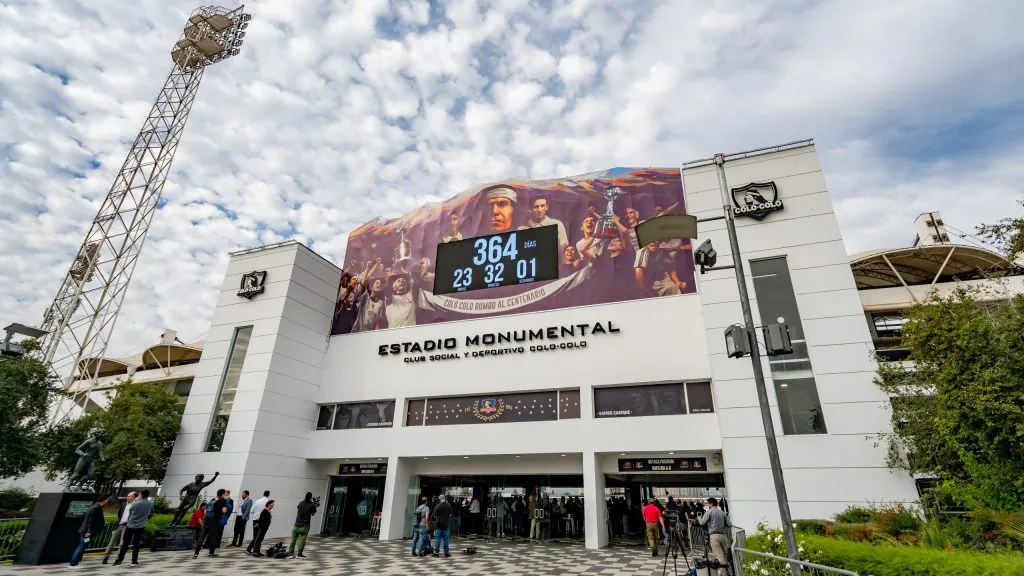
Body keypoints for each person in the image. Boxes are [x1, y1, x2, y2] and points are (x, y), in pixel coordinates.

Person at [113, 489, 154, 566]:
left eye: (139, 494)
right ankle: (134, 561)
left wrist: (137, 500)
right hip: (141, 526)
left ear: (141, 495)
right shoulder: (151, 504)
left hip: (130, 525)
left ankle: (119, 560)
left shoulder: (136, 503)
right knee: (137, 544)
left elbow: (131, 511)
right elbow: (150, 512)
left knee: (126, 543)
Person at [69, 494, 109, 567]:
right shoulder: (96, 507)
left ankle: (75, 563)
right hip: (86, 532)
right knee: (81, 546)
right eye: (107, 499)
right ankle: (73, 564)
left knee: (82, 546)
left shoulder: (96, 506)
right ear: (105, 500)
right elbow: (91, 521)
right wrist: (89, 531)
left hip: (86, 531)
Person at [698, 497, 731, 576]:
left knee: (720, 557)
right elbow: (729, 524)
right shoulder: (722, 512)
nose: (708, 505)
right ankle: (730, 571)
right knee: (726, 555)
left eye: (708, 503)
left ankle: (725, 574)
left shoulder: (709, 512)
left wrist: (699, 518)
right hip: (723, 536)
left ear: (711, 504)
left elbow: (702, 523)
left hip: (714, 536)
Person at [102, 491, 136, 564]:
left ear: (134, 497)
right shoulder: (123, 504)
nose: (128, 497)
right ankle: (105, 558)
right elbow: (119, 514)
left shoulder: (135, 506)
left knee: (122, 543)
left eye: (129, 496)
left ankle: (118, 559)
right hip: (119, 525)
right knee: (111, 542)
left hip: (127, 526)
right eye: (128, 496)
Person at [193, 488, 229, 558]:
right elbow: (224, 511)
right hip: (214, 521)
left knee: (202, 537)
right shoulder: (223, 501)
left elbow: (206, 509)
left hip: (206, 520)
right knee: (213, 537)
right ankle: (211, 553)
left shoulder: (212, 500)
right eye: (224, 494)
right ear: (222, 494)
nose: (225, 495)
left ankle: (196, 553)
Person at [288, 492, 318, 558]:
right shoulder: (312, 504)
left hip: (297, 524)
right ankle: (300, 553)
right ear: (311, 497)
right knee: (302, 540)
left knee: (293, 539)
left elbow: (298, 508)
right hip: (305, 525)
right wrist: (315, 505)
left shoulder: (300, 503)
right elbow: (313, 514)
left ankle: (290, 552)